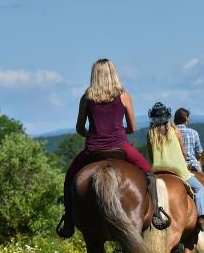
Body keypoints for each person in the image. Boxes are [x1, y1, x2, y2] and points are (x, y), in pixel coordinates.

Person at [56, 58, 169, 238]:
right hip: (120, 147)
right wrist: (118, 133)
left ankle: (69, 221)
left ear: (94, 75)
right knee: (149, 172)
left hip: (93, 149)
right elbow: (132, 127)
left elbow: (79, 128)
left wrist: (93, 134)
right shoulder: (124, 95)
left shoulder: (87, 97)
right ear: (113, 73)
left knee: (70, 178)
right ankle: (157, 214)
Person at [147, 102, 204, 231]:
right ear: (168, 117)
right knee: (199, 188)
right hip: (178, 170)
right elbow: (183, 151)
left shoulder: (150, 133)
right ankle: (202, 217)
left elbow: (150, 155)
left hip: (157, 171)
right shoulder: (175, 131)